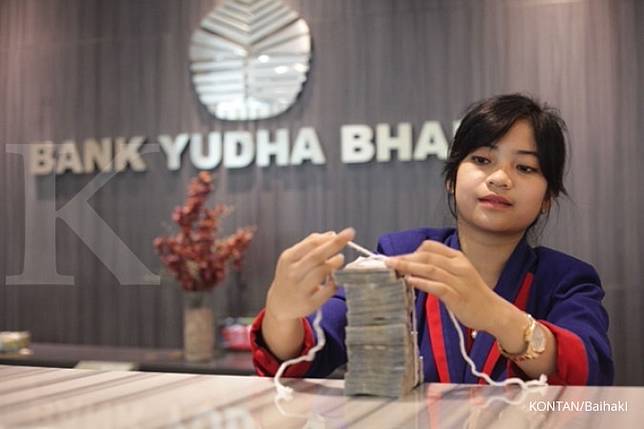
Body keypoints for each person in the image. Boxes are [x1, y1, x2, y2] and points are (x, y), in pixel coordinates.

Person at [250, 94, 614, 385]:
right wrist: (282, 311)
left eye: (525, 167)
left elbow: (589, 373)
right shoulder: (400, 256)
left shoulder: (566, 280)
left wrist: (499, 317)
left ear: (547, 197)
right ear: (451, 180)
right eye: (482, 160)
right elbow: (306, 355)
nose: (500, 178)